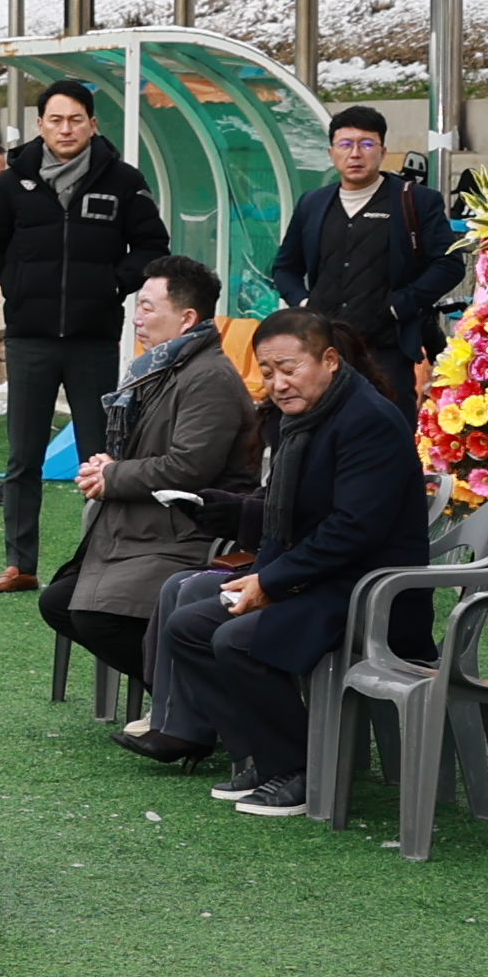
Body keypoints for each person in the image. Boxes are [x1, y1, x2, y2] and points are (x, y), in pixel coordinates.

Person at [143, 310, 430, 821]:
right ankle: (259, 756)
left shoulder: (369, 421)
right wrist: (260, 579)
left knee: (237, 640)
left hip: (368, 593)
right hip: (318, 581)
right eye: (268, 371)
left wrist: (272, 582)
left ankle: (301, 770)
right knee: (189, 624)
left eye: (289, 368)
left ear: (329, 361)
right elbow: (284, 521)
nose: (277, 383)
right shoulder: (302, 419)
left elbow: (353, 530)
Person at [0, 81, 165, 595]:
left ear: (93, 124)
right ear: (40, 125)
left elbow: (151, 246)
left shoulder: (123, 181)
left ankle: (97, 560)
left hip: (93, 338)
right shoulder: (13, 183)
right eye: (56, 120)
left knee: (98, 456)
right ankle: (19, 562)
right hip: (31, 338)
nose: (66, 129)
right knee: (22, 455)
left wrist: (110, 283)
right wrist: (23, 281)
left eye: (76, 119)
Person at [49, 260, 262, 734]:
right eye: (136, 307)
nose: (136, 318)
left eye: (147, 307)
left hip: (188, 531)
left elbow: (189, 468)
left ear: (187, 319)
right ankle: (181, 700)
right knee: (60, 603)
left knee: (92, 615)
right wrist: (109, 467)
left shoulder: (207, 377)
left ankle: (196, 708)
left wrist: (113, 476)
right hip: (140, 526)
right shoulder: (162, 368)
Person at [270, 109, 462, 382]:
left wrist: (401, 304)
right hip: (323, 350)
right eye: (345, 144)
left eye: (367, 144)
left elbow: (449, 264)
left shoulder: (416, 201)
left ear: (382, 152)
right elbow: (285, 267)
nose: (356, 154)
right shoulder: (312, 203)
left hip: (387, 351)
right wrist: (306, 303)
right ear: (331, 153)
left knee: (388, 422)